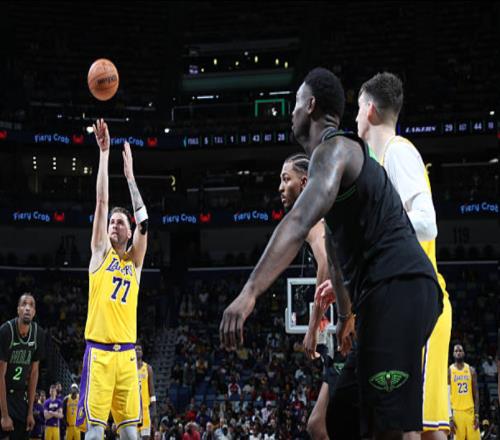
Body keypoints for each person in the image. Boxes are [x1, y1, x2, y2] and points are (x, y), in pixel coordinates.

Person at [220, 67, 442, 439]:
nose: (291, 112)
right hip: (383, 296)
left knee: (390, 427)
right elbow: (337, 259)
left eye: (295, 103)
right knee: (338, 417)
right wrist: (345, 315)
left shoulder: (336, 149)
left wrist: (250, 292)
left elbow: (298, 221)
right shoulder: (338, 170)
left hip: (400, 287)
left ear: (310, 105)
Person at [356, 71, 453, 439]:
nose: (355, 117)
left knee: (423, 431)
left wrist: (376, 230)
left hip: (420, 304)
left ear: (370, 110)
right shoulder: (383, 162)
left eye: (357, 109)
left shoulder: (398, 151)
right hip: (406, 304)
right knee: (422, 429)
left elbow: (427, 223)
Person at [76, 119, 149, 440]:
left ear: (129, 232)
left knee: (131, 433)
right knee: (94, 431)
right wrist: (104, 154)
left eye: (120, 222)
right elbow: (101, 203)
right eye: (112, 222)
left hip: (127, 357)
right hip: (100, 355)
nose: (114, 225)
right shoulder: (100, 254)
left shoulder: (135, 262)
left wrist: (131, 178)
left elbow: (145, 222)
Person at [278, 152, 338, 440]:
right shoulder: (324, 210)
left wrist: (313, 327)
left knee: (318, 426)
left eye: (285, 179)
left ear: (304, 183)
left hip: (358, 326)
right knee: (322, 425)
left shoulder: (314, 217)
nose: (280, 187)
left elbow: (326, 263)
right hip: (358, 318)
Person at [0, 294, 44, 440]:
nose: (27, 308)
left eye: (31, 305)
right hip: (2, 395)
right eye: (24, 304)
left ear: (34, 312)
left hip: (20, 397)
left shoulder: (38, 334)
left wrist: (30, 412)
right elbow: (0, 375)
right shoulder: (6, 331)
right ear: (18, 309)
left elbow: (34, 373)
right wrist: (4, 415)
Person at [449, 345, 480, 440]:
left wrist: (476, 415)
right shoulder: (449, 371)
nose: (458, 352)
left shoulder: (471, 370)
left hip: (470, 412)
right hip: (457, 413)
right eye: (456, 351)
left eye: (460, 350)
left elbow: (476, 394)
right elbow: (446, 395)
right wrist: (450, 418)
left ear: (464, 353)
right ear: (453, 354)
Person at [136, 343, 157, 440]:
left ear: (142, 352)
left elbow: (151, 390)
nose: (137, 351)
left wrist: (154, 409)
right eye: (135, 350)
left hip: (145, 409)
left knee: (146, 437)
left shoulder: (148, 368)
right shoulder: (129, 368)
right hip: (133, 409)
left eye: (139, 349)